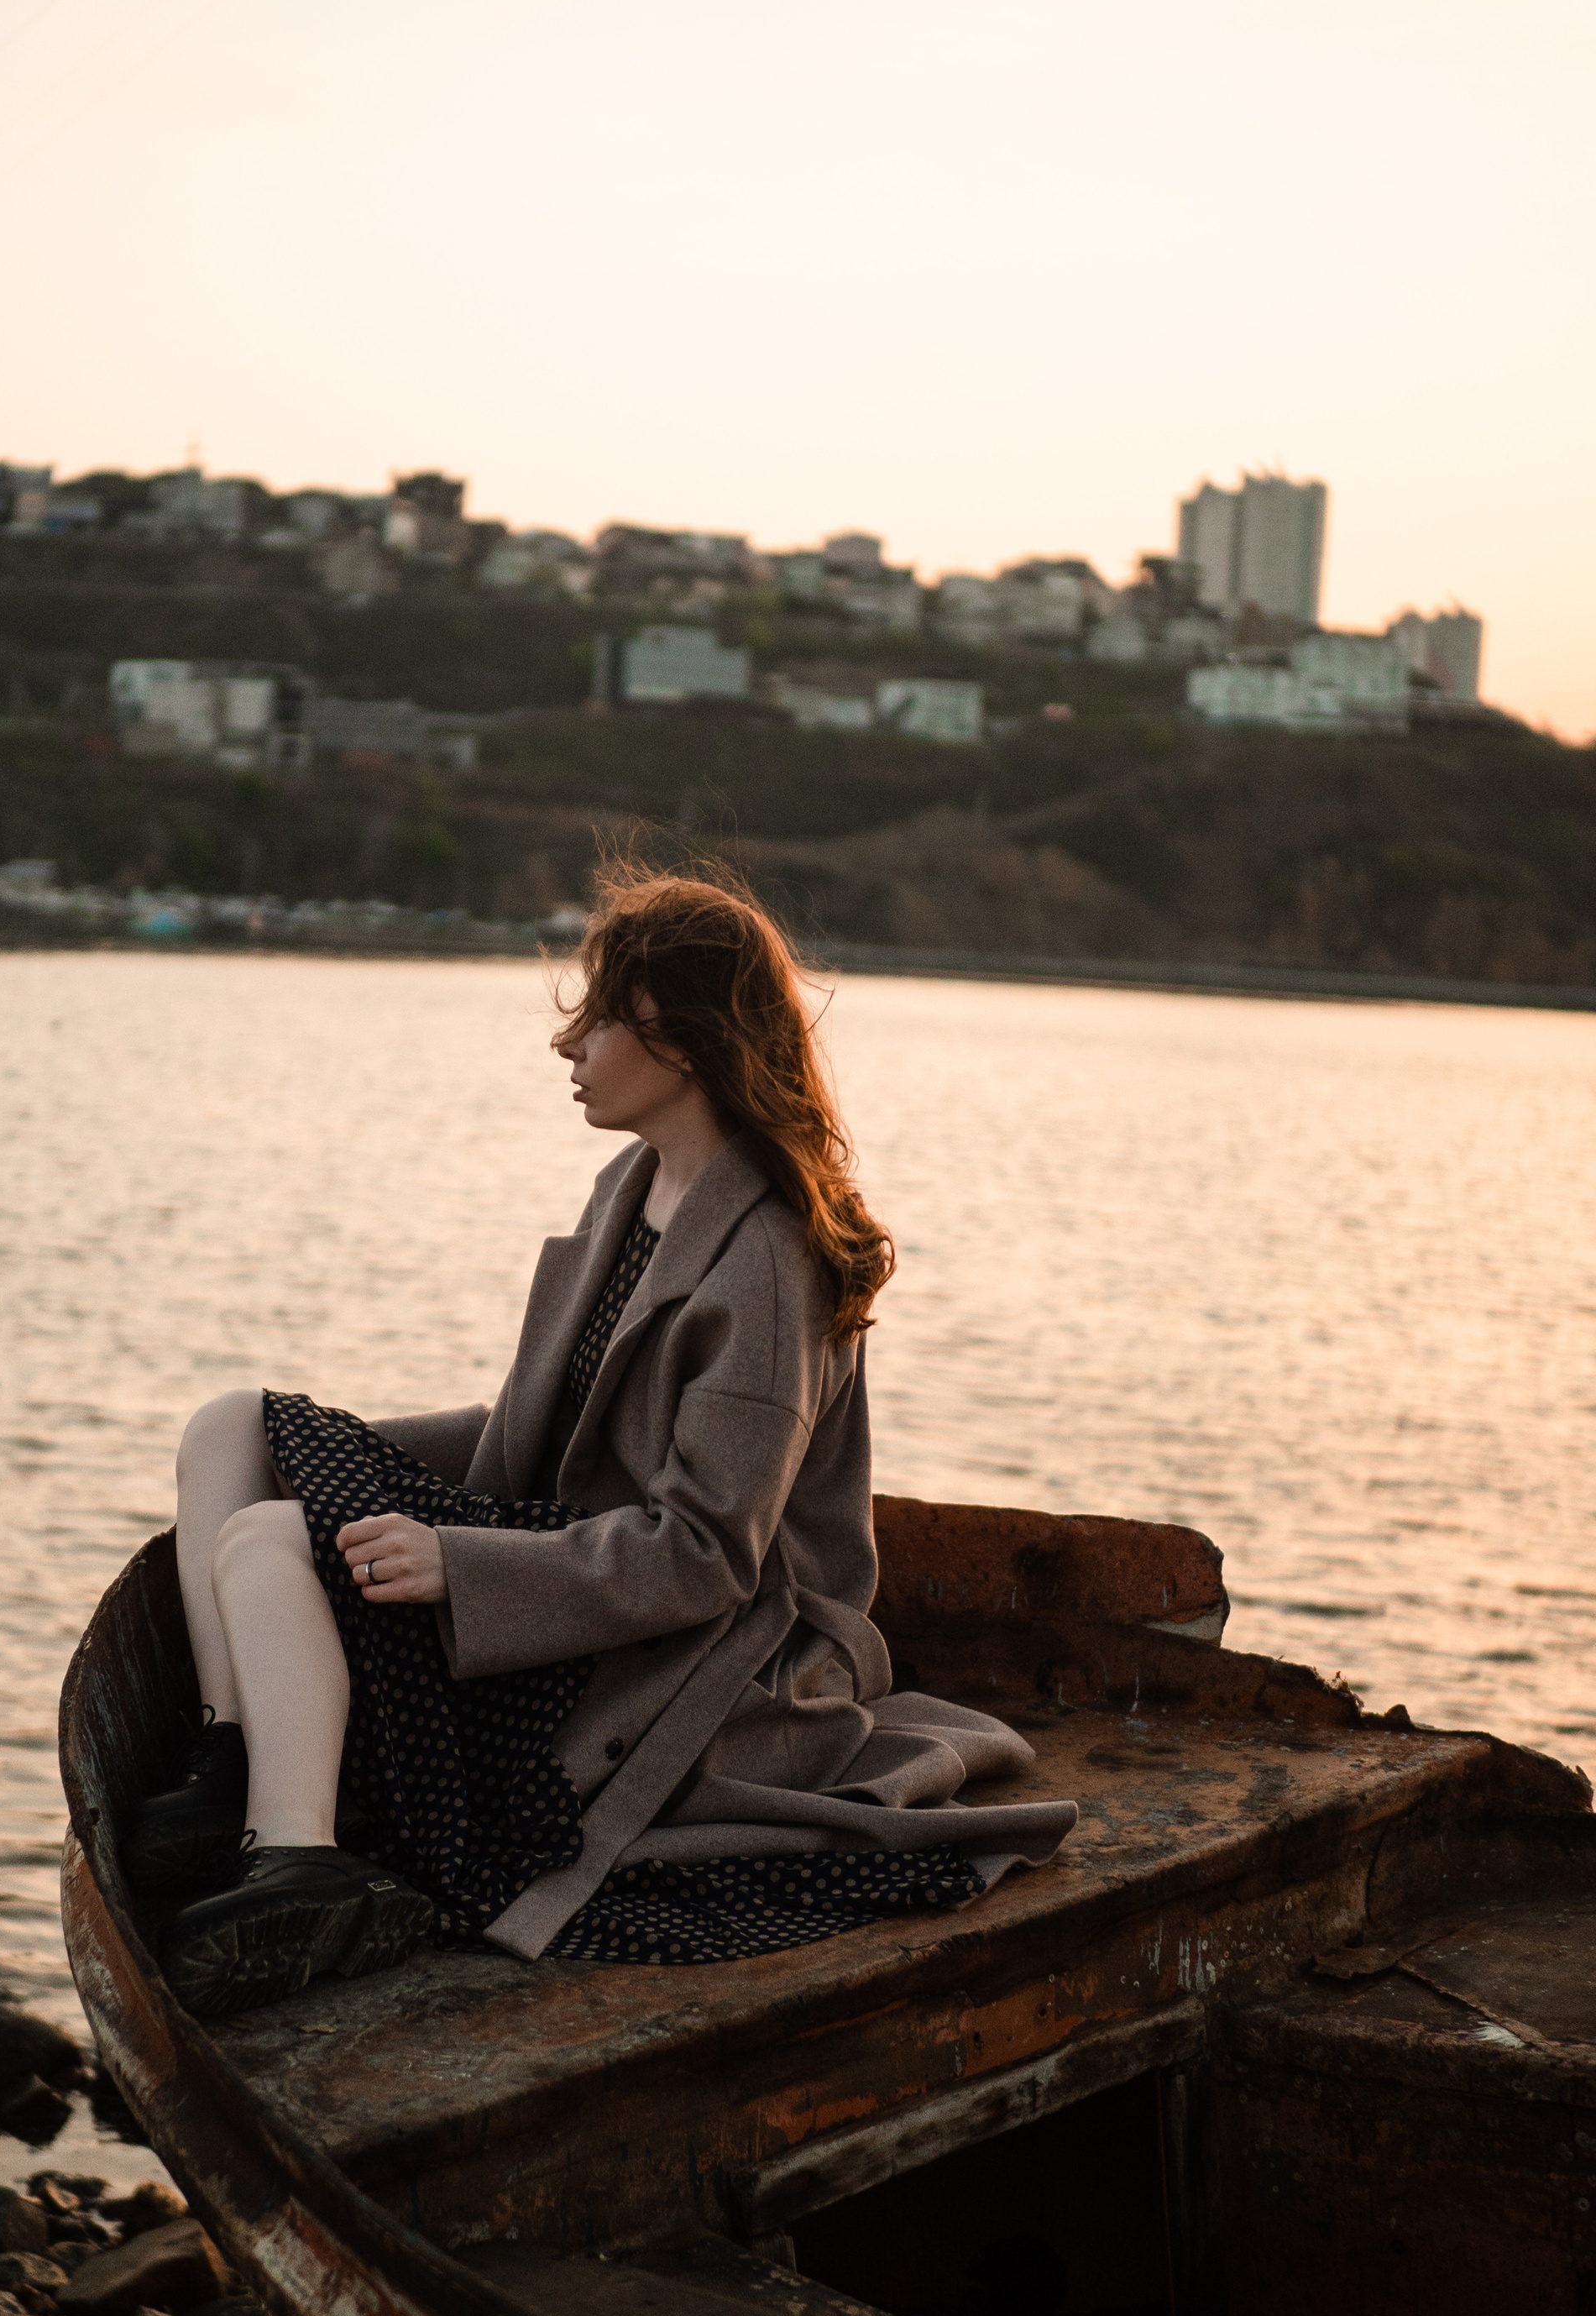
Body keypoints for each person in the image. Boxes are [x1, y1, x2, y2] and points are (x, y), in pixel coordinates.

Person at [127, 864, 1076, 2017]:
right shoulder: (636, 1183)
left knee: (273, 1544)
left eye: (600, 1016)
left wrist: (458, 1562)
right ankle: (233, 1758)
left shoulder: (768, 1265)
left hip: (685, 1653)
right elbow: (549, 1430)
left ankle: (302, 1861)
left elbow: (707, 1556)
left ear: (683, 1039)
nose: (567, 1044)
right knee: (233, 1427)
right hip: (565, 1545)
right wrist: (341, 1450)